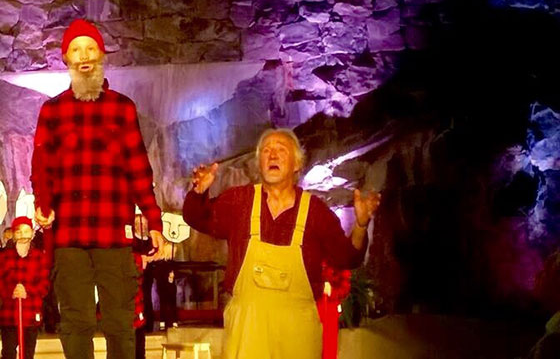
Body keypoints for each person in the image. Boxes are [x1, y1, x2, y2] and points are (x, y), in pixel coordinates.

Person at [31, 18, 166, 359]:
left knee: (120, 321)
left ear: (101, 54)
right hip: (69, 234)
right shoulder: (53, 110)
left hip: (113, 232)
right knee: (76, 321)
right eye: (76, 49)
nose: (84, 55)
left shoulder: (122, 107)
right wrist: (43, 205)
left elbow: (138, 167)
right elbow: (41, 167)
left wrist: (154, 221)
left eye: (90, 48)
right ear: (66, 58)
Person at [183, 128, 381, 359]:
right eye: (266, 151)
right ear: (259, 163)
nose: (273, 155)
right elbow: (197, 217)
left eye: (281, 150)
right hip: (247, 330)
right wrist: (199, 192)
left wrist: (360, 225)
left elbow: (347, 257)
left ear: (297, 164)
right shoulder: (238, 201)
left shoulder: (316, 211)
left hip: (297, 333)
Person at [0, 216, 50, 359]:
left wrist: (28, 291)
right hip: (9, 313)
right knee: (8, 353)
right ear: (13, 235)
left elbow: (44, 285)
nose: (22, 235)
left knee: (28, 353)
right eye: (18, 231)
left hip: (31, 312)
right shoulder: (5, 257)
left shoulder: (40, 257)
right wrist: (10, 292)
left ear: (32, 233)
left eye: (26, 231)